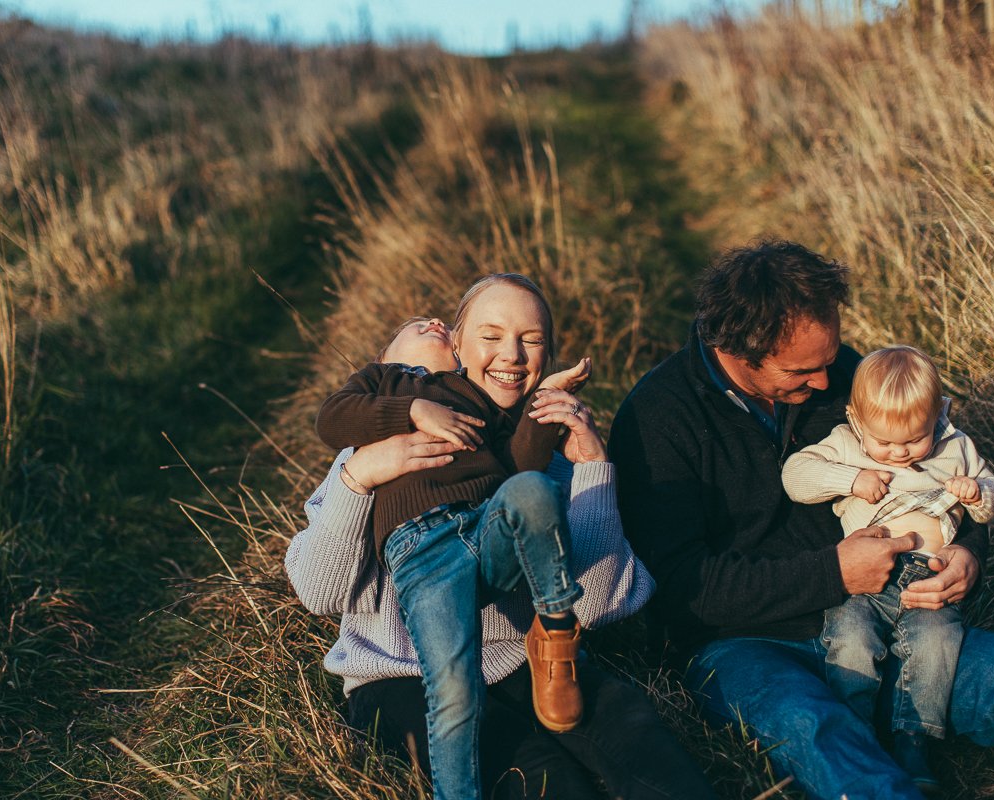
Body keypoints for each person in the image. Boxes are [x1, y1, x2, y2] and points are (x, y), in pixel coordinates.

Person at [608, 240, 994, 800]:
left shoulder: (845, 376)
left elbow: (941, 466)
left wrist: (968, 553)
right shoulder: (657, 419)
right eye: (801, 371)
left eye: (829, 360)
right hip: (746, 646)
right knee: (821, 731)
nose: (822, 383)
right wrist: (833, 574)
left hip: (894, 618)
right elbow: (678, 588)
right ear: (735, 349)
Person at [287, 273, 716, 800]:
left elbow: (601, 603)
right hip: (406, 676)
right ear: (459, 349)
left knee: (637, 736)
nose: (511, 354)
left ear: (548, 358)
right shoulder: (370, 454)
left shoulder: (551, 463)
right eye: (490, 337)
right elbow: (320, 593)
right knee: (541, 781)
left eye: (531, 340)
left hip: (532, 662)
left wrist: (593, 469)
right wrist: (362, 474)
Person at [314, 310, 593, 800]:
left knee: (531, 489)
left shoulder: (478, 398)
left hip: (484, 529)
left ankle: (555, 628)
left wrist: (543, 403)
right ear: (386, 353)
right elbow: (331, 417)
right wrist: (413, 411)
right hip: (422, 550)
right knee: (454, 693)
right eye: (420, 323)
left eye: (443, 322)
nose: (436, 321)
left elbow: (518, 465)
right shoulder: (383, 384)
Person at [781, 345, 994, 791]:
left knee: (938, 643)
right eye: (884, 442)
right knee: (851, 640)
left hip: (929, 578)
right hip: (863, 582)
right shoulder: (846, 443)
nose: (899, 453)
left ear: (937, 416)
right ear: (857, 420)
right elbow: (795, 476)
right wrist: (848, 479)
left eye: (913, 440)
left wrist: (978, 492)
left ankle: (913, 739)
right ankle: (858, 729)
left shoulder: (954, 446)